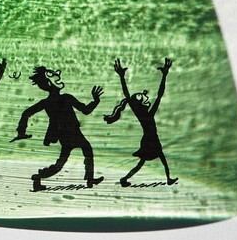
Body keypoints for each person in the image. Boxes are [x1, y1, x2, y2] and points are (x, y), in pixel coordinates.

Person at [12, 66, 104, 191]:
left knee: (63, 161)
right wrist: (96, 101)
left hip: (64, 134)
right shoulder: (66, 97)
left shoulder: (47, 102)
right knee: (84, 151)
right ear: (50, 83)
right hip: (71, 133)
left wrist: (21, 132)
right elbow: (86, 110)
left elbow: (26, 113)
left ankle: (39, 177)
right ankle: (89, 179)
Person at [105, 57, 178, 187]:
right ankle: (127, 178)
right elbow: (130, 95)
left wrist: (165, 75)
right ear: (138, 103)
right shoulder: (144, 114)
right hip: (150, 140)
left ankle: (167, 178)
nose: (145, 95)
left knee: (154, 159)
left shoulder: (148, 114)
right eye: (141, 96)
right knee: (154, 159)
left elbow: (159, 96)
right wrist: (164, 76)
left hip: (151, 139)